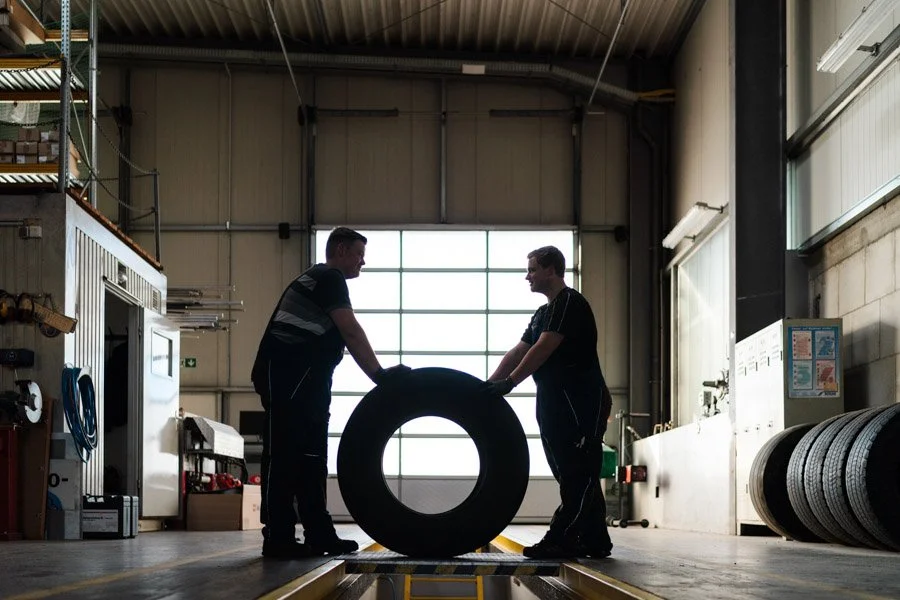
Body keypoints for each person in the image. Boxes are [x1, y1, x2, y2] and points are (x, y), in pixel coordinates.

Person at [251, 227, 410, 559]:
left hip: (310, 380)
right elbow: (350, 329)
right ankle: (278, 537)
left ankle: (319, 534)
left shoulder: (325, 280)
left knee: (312, 459)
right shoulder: (328, 276)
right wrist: (379, 375)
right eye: (359, 255)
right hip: (287, 376)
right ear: (340, 250)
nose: (362, 263)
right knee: (285, 457)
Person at [486, 245, 613, 559]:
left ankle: (561, 538)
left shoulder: (570, 302)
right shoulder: (544, 312)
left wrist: (510, 383)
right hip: (554, 400)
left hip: (580, 401)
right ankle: (595, 539)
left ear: (551, 269)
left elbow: (544, 348)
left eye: (531, 269)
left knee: (578, 472)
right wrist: (486, 388)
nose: (526, 276)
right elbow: (519, 351)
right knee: (569, 472)